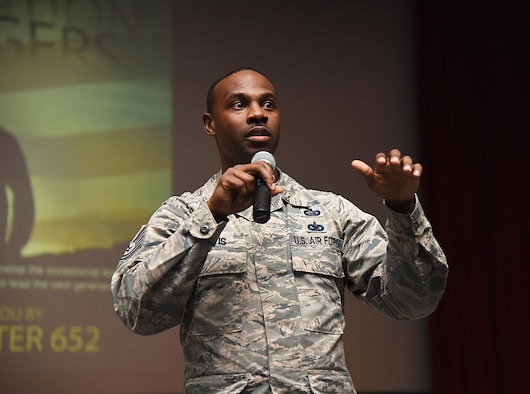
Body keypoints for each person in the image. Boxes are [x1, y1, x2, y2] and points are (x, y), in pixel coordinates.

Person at [111, 67, 448, 394]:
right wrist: (210, 215)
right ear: (210, 124)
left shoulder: (332, 212)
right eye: (239, 104)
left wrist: (403, 208)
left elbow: (411, 301)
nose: (258, 114)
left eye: (268, 104)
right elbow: (138, 312)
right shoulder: (182, 214)